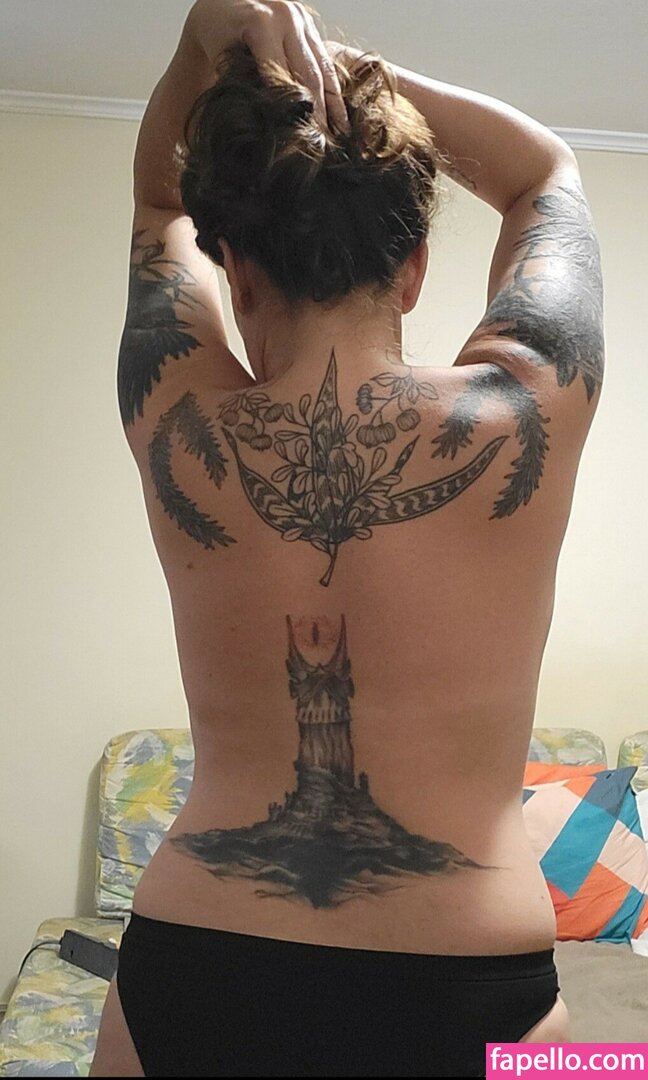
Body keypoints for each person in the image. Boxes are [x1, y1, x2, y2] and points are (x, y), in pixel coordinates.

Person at [90, 0, 604, 1075]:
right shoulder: (527, 409)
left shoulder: (180, 423)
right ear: (413, 265)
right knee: (611, 1062)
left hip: (190, 965)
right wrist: (361, 83)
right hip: (480, 988)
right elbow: (544, 174)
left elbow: (155, 199)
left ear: (236, 275)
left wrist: (204, 36)